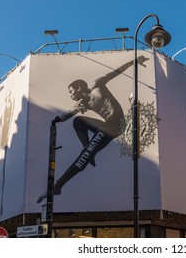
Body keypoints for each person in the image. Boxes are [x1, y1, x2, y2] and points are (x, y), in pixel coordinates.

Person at [37, 55, 149, 203]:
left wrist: (134, 61)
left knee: (85, 154)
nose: (70, 95)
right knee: (78, 121)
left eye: (71, 92)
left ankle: (59, 184)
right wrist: (58, 119)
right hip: (106, 127)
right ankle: (88, 149)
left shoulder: (97, 85)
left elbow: (116, 71)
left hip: (116, 124)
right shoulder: (83, 103)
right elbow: (69, 114)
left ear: (78, 87)